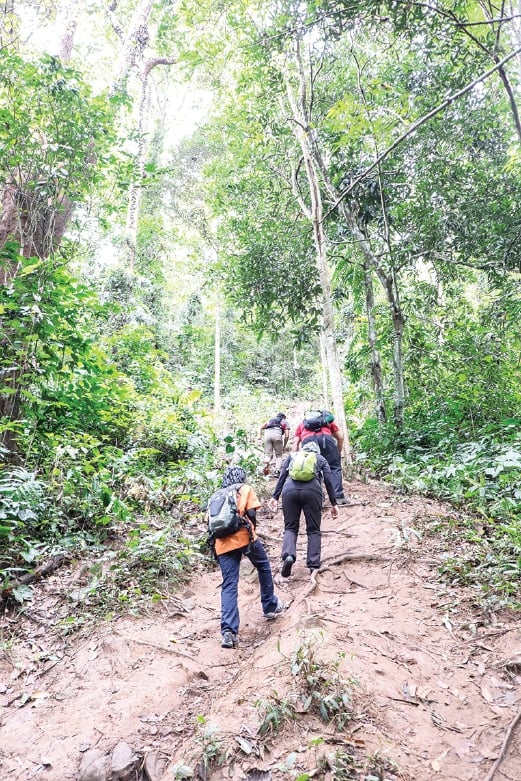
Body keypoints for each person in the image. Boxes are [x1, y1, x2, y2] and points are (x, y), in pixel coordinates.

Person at [210, 465, 286, 649]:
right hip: (245, 538)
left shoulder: (217, 496)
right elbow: (252, 512)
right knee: (263, 566)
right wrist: (252, 528)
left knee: (229, 585)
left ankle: (228, 632)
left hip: (222, 544)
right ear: (241, 477)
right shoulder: (244, 489)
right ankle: (269, 605)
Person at [268, 441, 339, 576]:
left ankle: (288, 555)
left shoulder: (292, 456)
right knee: (313, 529)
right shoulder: (320, 458)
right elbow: (329, 481)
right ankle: (313, 565)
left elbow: (282, 476)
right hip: (312, 492)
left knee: (290, 527)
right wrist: (334, 503)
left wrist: (275, 497)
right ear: (316, 451)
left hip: (289, 491)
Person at [292, 410, 347, 505]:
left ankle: (317, 499)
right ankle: (338, 497)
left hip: (308, 441)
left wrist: (294, 459)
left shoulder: (302, 424)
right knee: (334, 468)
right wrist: (337, 453)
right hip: (326, 439)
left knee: (313, 469)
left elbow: (295, 443)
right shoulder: (326, 422)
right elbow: (340, 437)